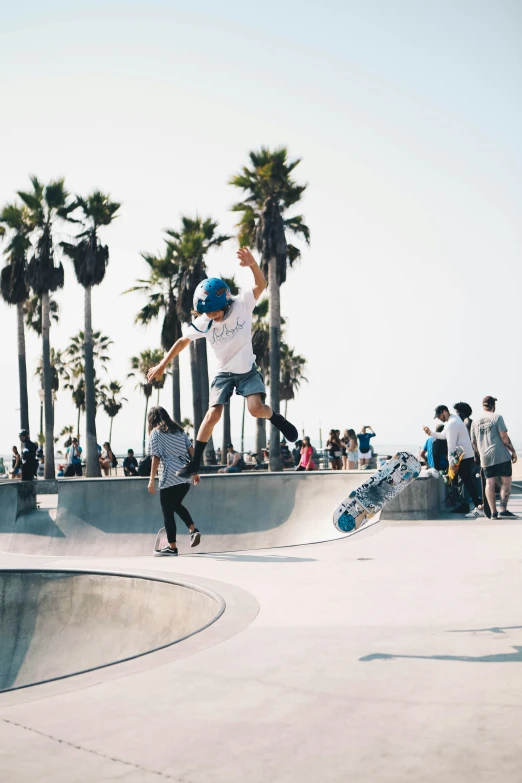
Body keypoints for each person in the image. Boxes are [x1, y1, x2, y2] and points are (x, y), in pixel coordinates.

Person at [147, 248, 298, 478]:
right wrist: (162, 364)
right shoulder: (204, 321)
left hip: (247, 370)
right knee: (213, 415)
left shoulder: (241, 304)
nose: (213, 317)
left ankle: (276, 418)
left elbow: (261, 286)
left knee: (256, 410)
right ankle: (195, 462)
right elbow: (182, 341)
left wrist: (252, 264)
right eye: (207, 314)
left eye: (215, 313)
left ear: (225, 302)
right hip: (223, 373)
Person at [147, 406, 201, 556]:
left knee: (167, 511)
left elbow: (155, 457)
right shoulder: (179, 431)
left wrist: (151, 479)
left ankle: (172, 547)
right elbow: (192, 451)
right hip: (185, 475)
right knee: (175, 504)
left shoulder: (155, 433)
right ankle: (193, 530)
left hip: (169, 476)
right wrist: (195, 472)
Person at [423, 405, 483, 516]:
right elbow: (443, 435)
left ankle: (479, 507)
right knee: (467, 482)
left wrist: (451, 464)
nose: (439, 419)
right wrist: (430, 433)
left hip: (463, 457)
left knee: (468, 482)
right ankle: (478, 506)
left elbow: (451, 444)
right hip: (465, 455)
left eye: (439, 416)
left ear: (444, 412)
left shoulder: (452, 424)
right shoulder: (454, 420)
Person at [471, 396, 517, 519]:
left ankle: (493, 512)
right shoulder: (497, 417)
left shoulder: (475, 421)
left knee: (489, 482)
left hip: (485, 456)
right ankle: (502, 509)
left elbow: (474, 442)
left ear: (483, 406)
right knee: (506, 481)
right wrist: (513, 451)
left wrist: (479, 456)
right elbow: (504, 437)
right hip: (501, 454)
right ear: (493, 405)